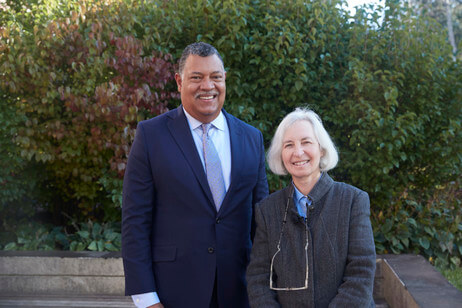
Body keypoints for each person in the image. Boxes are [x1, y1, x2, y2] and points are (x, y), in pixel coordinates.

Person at [122, 42, 269, 308]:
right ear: (179, 82)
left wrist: (265, 292)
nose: (208, 86)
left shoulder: (251, 138)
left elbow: (262, 225)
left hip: (241, 293)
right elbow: (135, 222)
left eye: (216, 77)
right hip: (173, 293)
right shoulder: (151, 136)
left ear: (225, 80)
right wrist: (146, 299)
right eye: (196, 77)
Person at [246, 107, 376, 307]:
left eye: (306, 142)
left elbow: (361, 274)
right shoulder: (267, 210)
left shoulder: (353, 200)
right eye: (289, 145)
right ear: (281, 154)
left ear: (321, 149)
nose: (298, 152)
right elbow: (258, 279)